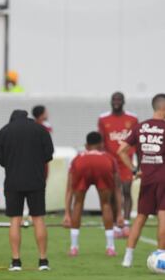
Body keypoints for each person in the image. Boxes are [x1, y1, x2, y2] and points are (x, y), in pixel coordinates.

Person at [0, 110, 54, 271]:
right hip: (36, 180)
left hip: (13, 181)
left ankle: (16, 261)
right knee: (38, 219)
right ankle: (43, 261)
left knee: (15, 220)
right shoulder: (40, 129)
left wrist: (11, 164)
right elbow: (49, 154)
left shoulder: (5, 131)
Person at [117, 93, 165, 268]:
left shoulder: (140, 127)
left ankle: (127, 258)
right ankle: (161, 257)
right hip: (163, 178)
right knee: (163, 216)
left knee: (140, 217)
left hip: (147, 178)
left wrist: (134, 169)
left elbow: (121, 151)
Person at [63, 132, 119, 257]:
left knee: (78, 203)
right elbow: (117, 189)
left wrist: (67, 213)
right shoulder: (109, 158)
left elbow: (69, 189)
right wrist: (120, 214)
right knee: (106, 204)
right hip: (103, 164)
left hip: (82, 164)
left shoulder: (77, 158)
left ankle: (74, 247)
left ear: (86, 145)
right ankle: (110, 248)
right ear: (101, 145)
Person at [98, 92, 138, 237]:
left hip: (126, 161)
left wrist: (137, 162)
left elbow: (136, 140)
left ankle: (125, 224)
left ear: (123, 101)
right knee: (114, 193)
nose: (116, 102)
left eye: (119, 99)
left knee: (126, 190)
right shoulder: (103, 119)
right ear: (111, 101)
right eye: (114, 99)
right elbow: (101, 141)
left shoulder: (132, 119)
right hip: (111, 162)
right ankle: (116, 223)